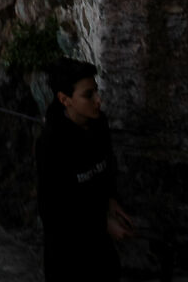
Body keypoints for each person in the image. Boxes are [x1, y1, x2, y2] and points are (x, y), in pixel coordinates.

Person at [38, 58, 132, 279]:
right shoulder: (51, 144)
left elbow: (106, 167)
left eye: (96, 91)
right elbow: (55, 208)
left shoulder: (99, 124)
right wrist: (103, 224)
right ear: (65, 99)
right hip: (68, 254)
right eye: (88, 95)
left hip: (100, 249)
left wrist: (111, 200)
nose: (98, 100)